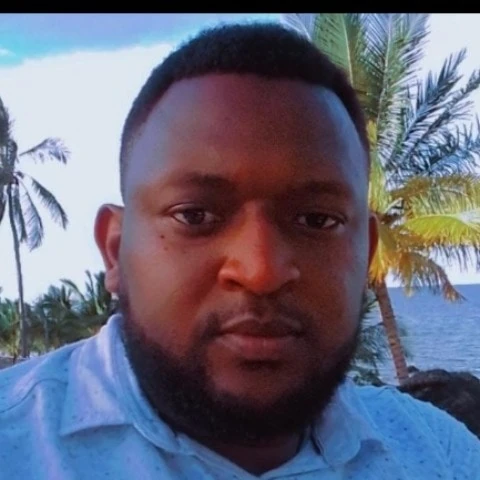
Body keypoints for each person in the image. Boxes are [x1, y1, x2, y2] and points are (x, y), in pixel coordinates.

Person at [0, 23, 478, 480]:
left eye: (317, 220)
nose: (261, 270)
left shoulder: (441, 456)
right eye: (195, 215)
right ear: (115, 250)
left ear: (366, 253)